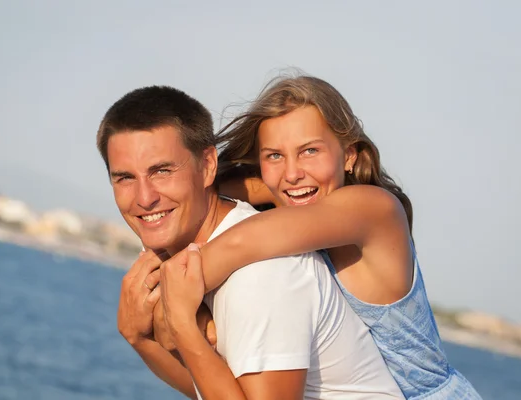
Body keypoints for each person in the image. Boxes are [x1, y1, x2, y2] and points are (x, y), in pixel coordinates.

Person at [156, 74, 482, 399]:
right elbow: (204, 197)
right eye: (274, 155)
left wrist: (171, 307)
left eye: (309, 150)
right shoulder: (298, 194)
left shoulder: (373, 209)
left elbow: (242, 241)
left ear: (350, 155)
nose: (293, 172)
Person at [97, 85, 404, 399]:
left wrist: (179, 315)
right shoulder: (244, 223)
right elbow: (215, 389)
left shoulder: (264, 272)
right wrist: (141, 338)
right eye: (125, 178)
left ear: (207, 166)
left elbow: (242, 242)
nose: (145, 198)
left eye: (162, 171)